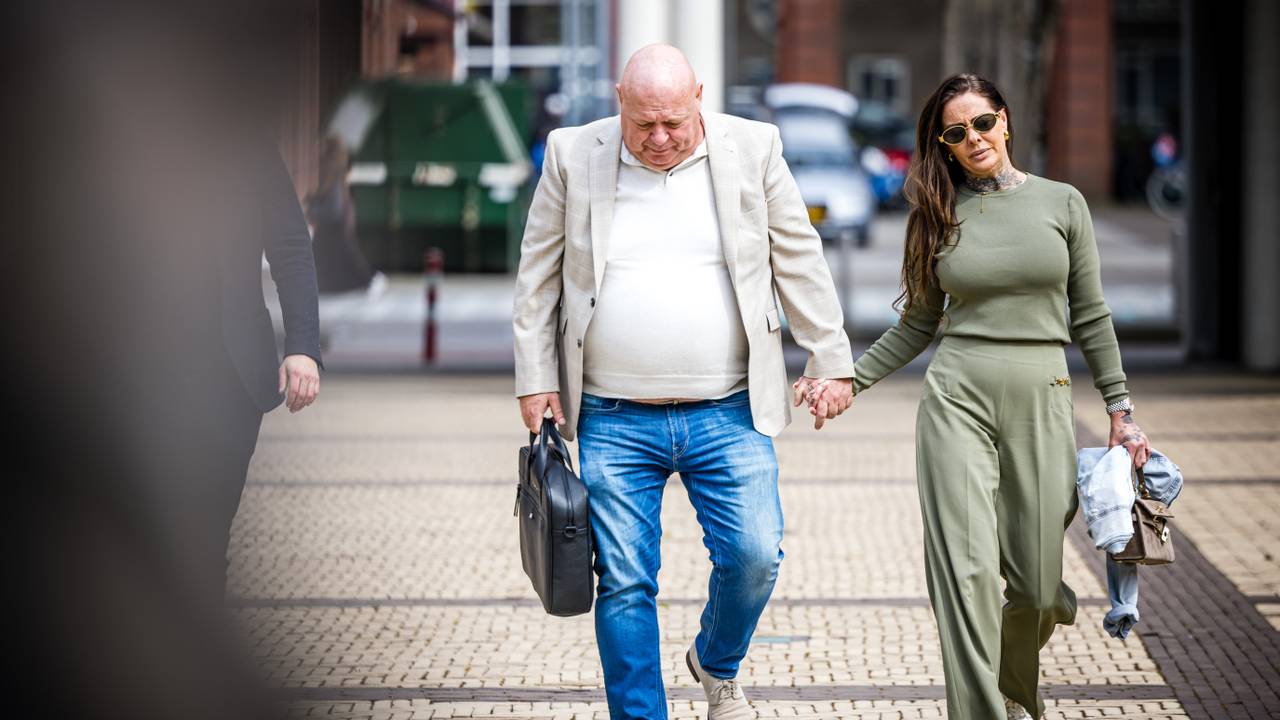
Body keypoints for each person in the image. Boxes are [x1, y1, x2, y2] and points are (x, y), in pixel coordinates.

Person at [512, 45, 855, 720]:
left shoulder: (754, 148)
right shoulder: (572, 153)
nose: (660, 138)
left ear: (699, 95)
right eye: (644, 124)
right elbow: (538, 276)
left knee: (755, 555)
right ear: (619, 100)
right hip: (612, 414)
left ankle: (716, 662)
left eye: (674, 121)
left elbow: (798, 255)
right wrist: (535, 377)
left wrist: (830, 358)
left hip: (727, 408)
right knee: (624, 584)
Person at [803, 74, 1153, 720]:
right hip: (956, 398)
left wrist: (1120, 410)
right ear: (945, 144)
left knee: (1038, 587)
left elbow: (1092, 314)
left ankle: (1020, 672)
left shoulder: (1063, 204)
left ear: (1006, 120)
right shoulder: (938, 213)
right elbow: (916, 323)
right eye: (957, 133)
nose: (974, 140)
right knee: (963, 579)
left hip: (1043, 395)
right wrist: (850, 378)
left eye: (983, 123)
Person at [305, 135, 378, 294]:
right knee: (340, 255)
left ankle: (367, 281)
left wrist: (311, 208)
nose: (318, 148)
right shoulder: (339, 167)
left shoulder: (328, 167)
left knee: (329, 255)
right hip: (338, 221)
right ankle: (365, 281)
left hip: (332, 222)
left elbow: (330, 200)